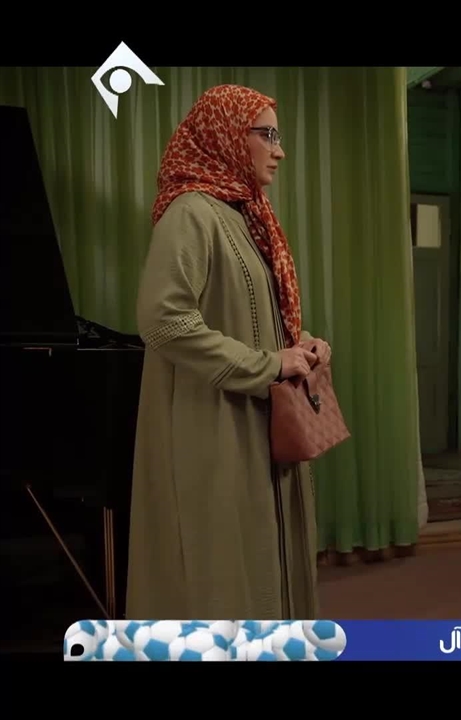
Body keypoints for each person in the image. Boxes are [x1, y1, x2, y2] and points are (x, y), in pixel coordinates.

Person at [127, 84, 331, 620]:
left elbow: (250, 311)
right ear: (226, 137)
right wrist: (268, 365)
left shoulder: (246, 213)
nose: (280, 151)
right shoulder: (191, 213)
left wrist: (299, 345)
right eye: (268, 136)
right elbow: (164, 320)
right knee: (222, 568)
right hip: (214, 423)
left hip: (258, 415)